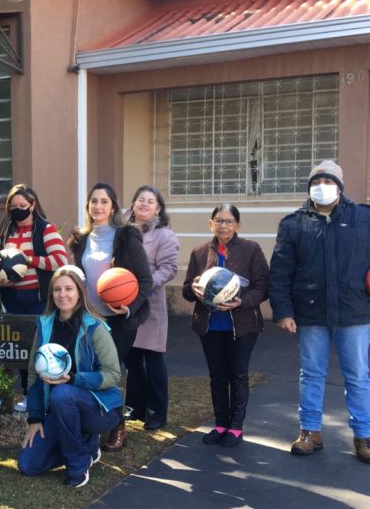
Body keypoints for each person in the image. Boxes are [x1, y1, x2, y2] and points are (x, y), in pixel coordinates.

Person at [270, 160, 370, 464]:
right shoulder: (293, 223)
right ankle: (309, 431)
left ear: (340, 188)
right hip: (310, 313)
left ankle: (364, 435)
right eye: (317, 181)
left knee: (357, 375)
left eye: (329, 182)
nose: (322, 186)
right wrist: (283, 311)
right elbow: (280, 272)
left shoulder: (364, 218)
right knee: (312, 373)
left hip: (353, 312)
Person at [18, 266, 122, 488]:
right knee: (28, 465)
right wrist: (35, 418)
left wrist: (75, 379)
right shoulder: (44, 325)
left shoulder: (95, 327)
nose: (62, 294)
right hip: (61, 408)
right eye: (57, 289)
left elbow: (113, 374)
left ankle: (78, 464)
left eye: (68, 289)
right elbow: (35, 374)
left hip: (99, 410)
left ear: (79, 292)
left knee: (63, 392)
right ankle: (87, 448)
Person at [67, 182, 151, 452]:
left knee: (111, 371)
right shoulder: (80, 239)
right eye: (93, 201)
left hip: (119, 319)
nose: (98, 206)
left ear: (113, 206)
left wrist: (128, 308)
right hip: (89, 317)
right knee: (89, 369)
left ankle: (118, 426)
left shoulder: (127, 236)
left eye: (104, 201)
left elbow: (145, 280)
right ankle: (94, 420)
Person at [182, 204, 269, 447]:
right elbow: (187, 289)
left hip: (241, 325)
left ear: (238, 225)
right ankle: (220, 424)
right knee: (217, 376)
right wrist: (195, 289)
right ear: (211, 224)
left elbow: (263, 286)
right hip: (210, 326)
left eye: (229, 221)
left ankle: (236, 428)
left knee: (238, 375)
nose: (224, 226)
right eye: (219, 221)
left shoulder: (251, 250)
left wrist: (242, 302)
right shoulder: (199, 253)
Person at [0, 184, 67, 409]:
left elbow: (60, 261)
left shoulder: (45, 229)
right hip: (10, 298)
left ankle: (42, 394)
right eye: (13, 207)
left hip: (38, 299)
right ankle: (24, 394)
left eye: (22, 206)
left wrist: (27, 259)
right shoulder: (1, 230)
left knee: (39, 347)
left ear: (33, 205)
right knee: (18, 348)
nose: (18, 210)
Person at [124, 185, 180, 430]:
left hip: (149, 304)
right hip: (122, 302)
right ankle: (135, 408)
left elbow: (169, 268)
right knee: (131, 359)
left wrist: (144, 286)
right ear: (133, 204)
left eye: (151, 201)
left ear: (158, 208)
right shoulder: (121, 230)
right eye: (141, 199)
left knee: (153, 360)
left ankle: (157, 412)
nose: (145, 204)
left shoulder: (164, 235)